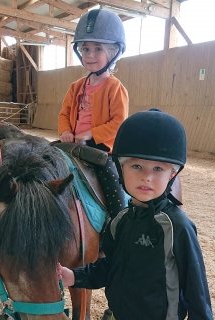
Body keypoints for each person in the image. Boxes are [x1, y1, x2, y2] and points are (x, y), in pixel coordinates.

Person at [58, 109, 214, 320]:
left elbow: (197, 291)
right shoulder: (120, 220)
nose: (146, 177)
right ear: (121, 169)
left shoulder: (178, 226)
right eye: (137, 166)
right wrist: (74, 277)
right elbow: (109, 267)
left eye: (158, 168)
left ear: (172, 174)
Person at [58, 8, 129, 219]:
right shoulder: (75, 87)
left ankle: (118, 220)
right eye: (85, 48)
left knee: (110, 177)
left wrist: (91, 134)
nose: (90, 55)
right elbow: (64, 114)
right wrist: (65, 132)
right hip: (72, 143)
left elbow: (119, 122)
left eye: (98, 49)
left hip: (102, 147)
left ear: (113, 52)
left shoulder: (115, 88)